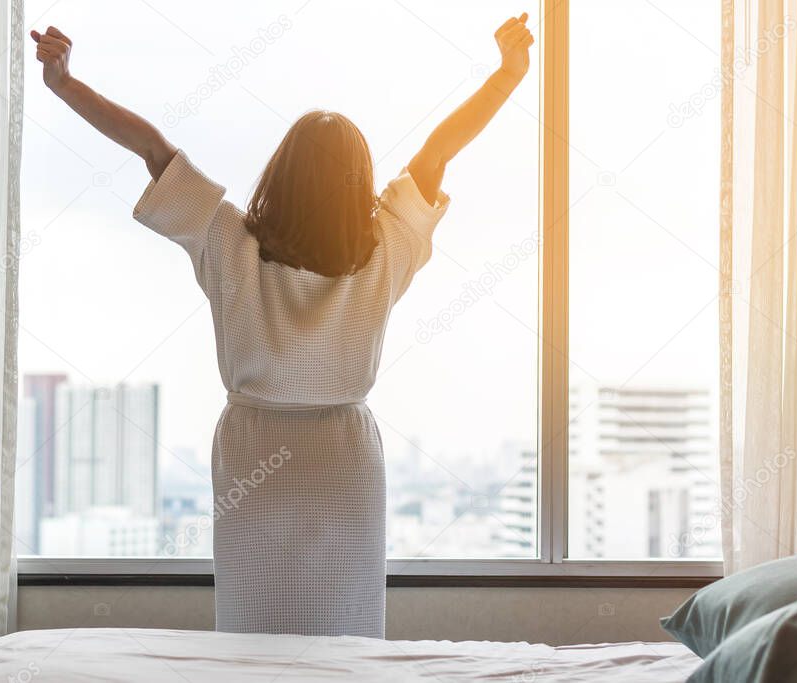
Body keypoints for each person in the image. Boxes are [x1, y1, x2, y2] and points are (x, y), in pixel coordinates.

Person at [31, 14, 534, 638]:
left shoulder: (227, 239)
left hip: (252, 455)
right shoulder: (387, 245)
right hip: (347, 456)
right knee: (346, 628)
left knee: (254, 627)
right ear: (361, 179)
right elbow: (439, 150)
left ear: (281, 171)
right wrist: (507, 74)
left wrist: (64, 83)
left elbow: (153, 147)